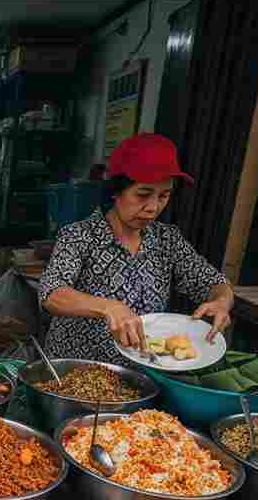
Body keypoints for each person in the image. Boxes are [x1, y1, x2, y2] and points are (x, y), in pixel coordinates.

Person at [38, 133, 233, 363]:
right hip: (77, 369)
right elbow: (51, 293)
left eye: (163, 196)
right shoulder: (79, 235)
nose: (153, 207)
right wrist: (107, 307)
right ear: (115, 191)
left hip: (142, 370)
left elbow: (213, 282)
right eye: (143, 194)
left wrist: (221, 302)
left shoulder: (167, 239)